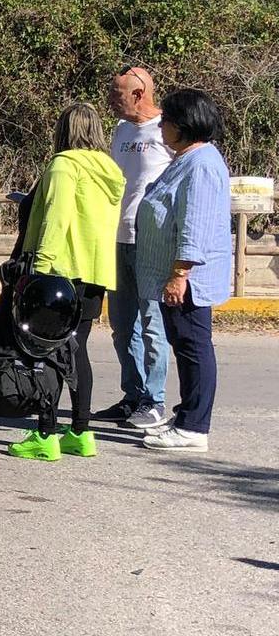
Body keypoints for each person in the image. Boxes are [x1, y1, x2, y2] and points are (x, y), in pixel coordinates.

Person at [7, 103, 125, 461]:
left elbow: (55, 220)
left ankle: (45, 432)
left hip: (60, 270)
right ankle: (81, 431)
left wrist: (38, 268)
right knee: (78, 349)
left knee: (48, 351)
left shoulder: (64, 166)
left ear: (63, 130)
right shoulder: (111, 170)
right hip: (95, 272)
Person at [135, 89, 233, 452]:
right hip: (176, 274)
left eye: (167, 122)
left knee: (193, 346)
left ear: (184, 125)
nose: (161, 127)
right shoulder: (187, 159)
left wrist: (180, 274)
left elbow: (196, 224)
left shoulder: (203, 163)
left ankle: (194, 426)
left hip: (188, 278)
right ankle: (188, 415)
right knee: (186, 345)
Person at [94, 66, 175, 429]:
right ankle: (134, 395)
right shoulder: (121, 130)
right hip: (117, 239)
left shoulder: (167, 131)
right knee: (122, 326)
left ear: (139, 94)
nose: (112, 98)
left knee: (152, 324)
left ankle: (155, 401)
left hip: (150, 243)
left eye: (118, 93)